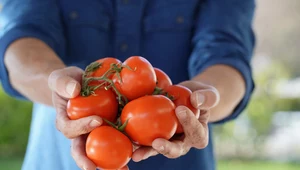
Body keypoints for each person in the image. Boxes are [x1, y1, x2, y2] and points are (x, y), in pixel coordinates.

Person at [0, 0, 255, 170]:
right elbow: (20, 38)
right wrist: (58, 85)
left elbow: (227, 55)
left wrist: (200, 98)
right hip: (57, 159)